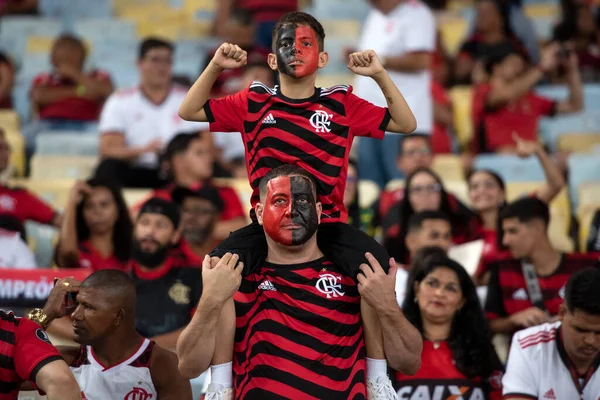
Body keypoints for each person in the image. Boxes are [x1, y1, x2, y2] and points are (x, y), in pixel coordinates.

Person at [178, 10, 417, 285]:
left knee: (379, 272)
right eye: (285, 44)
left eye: (306, 44)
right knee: (216, 272)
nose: (295, 50)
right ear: (271, 59)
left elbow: (405, 123)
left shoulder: (342, 103)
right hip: (265, 228)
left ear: (323, 58)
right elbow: (189, 110)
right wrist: (216, 66)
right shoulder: (252, 101)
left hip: (328, 225)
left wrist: (379, 74)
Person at [177, 165, 422, 399]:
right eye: (280, 200)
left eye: (302, 200)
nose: (291, 210)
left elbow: (409, 363)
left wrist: (388, 305)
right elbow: (189, 367)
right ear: (260, 213)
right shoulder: (235, 280)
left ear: (318, 210)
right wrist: (210, 300)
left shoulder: (358, 277)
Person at [37, 270, 193, 399]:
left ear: (118, 317)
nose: (76, 315)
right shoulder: (67, 360)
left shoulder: (162, 366)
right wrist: (47, 313)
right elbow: (12, 364)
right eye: (78, 304)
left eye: (88, 307)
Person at [96, 38, 204, 189]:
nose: (161, 67)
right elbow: (107, 149)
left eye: (167, 61)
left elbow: (206, 144)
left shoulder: (189, 98)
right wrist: (144, 150)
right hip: (136, 169)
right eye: (155, 60)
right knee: (107, 167)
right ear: (140, 63)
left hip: (178, 173)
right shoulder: (119, 101)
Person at [485, 197, 598, 336]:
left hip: (580, 353)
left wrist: (570, 321)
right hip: (525, 354)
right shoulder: (503, 267)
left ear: (537, 228)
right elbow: (488, 325)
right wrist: (514, 320)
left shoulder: (586, 266)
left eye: (512, 231)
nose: (505, 240)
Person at [354, 0, 436, 188]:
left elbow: (422, 60)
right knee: (371, 189)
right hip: (370, 118)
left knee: (403, 187)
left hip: (403, 119)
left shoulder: (416, 13)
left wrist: (379, 60)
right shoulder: (374, 16)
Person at [398, 256, 504, 399]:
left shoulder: (481, 351)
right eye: (432, 283)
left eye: (451, 288)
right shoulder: (394, 348)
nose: (439, 293)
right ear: (416, 289)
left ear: (462, 301)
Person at [468, 134, 565, 280]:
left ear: (502, 194)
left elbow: (556, 185)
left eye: (489, 185)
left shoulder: (519, 212)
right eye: (475, 187)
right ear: (469, 196)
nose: (481, 191)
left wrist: (538, 152)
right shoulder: (465, 227)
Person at [502, 267, 600, 399]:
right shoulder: (527, 345)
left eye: (599, 332)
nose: (590, 340)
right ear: (562, 313)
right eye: (580, 330)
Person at [133, 132, 246, 240]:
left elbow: (240, 227)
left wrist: (177, 230)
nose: (209, 159)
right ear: (179, 160)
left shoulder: (225, 192)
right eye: (200, 153)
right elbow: (131, 218)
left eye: (209, 153)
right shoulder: (162, 196)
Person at [471, 45, 583, 154]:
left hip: (529, 159)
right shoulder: (483, 91)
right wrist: (542, 67)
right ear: (496, 68)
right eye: (513, 64)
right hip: (494, 161)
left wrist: (572, 70)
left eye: (521, 65)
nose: (519, 69)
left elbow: (574, 106)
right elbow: (507, 95)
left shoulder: (529, 97)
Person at [130, 197, 203, 352]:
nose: (150, 232)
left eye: (160, 225)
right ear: (134, 228)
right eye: (144, 223)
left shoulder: (195, 278)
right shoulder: (116, 279)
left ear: (175, 235)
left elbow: (201, 329)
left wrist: (141, 349)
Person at [383, 167, 479, 263]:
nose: (425, 194)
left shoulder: (463, 227)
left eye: (432, 188)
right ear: (408, 197)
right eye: (417, 189)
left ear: (441, 194)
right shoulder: (396, 234)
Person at [29, 34, 113, 127]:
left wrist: (74, 74)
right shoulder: (45, 78)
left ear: (82, 58)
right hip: (49, 124)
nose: (64, 64)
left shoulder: (97, 75)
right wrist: (79, 91)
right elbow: (39, 96)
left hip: (87, 124)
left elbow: (106, 92)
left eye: (69, 57)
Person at [0, 310, 81, 400]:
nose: (76, 315)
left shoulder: (17, 333)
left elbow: (61, 383)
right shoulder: (15, 332)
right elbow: (62, 383)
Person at [55, 178, 133, 271]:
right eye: (89, 206)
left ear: (118, 210)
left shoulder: (131, 251)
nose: (97, 212)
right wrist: (71, 202)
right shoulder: (78, 251)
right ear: (82, 213)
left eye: (104, 204)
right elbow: (68, 253)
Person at [0, 128, 62, 229]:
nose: (6, 153)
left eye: (7, 148)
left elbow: (61, 221)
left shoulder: (18, 196)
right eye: (0, 148)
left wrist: (73, 200)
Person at [454, 0, 527, 84]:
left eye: (486, 13)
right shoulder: (470, 45)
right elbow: (458, 72)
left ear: (500, 17)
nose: (481, 17)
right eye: (479, 12)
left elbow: (523, 73)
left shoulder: (514, 47)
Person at [172, 185, 224, 262]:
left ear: (216, 216)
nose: (189, 217)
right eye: (185, 210)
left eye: (199, 210)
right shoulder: (171, 256)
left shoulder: (229, 254)